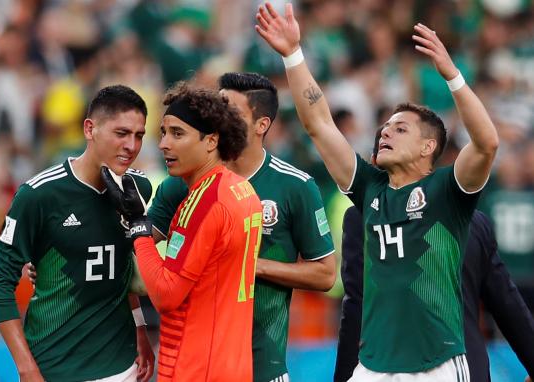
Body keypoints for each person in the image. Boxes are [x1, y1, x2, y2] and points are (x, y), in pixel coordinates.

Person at [256, 2, 499, 380]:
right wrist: (293, 54)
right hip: (372, 367)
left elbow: (486, 144)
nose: (385, 131)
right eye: (385, 126)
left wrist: (453, 77)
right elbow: (320, 124)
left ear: (427, 147)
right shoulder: (370, 189)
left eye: (400, 129)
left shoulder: (448, 191)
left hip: (437, 365)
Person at [147, 72, 336, 382]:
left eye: (230, 111)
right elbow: (139, 251)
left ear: (262, 125)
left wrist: (250, 265)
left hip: (264, 364)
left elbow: (326, 273)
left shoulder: (295, 186)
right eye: (217, 107)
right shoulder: (182, 183)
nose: (219, 118)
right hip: (195, 364)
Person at [334, 130, 534, 382]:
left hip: (391, 365)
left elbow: (357, 306)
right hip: (464, 366)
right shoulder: (473, 220)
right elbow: (506, 301)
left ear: (373, 165)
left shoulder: (360, 217)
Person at [0, 85, 155, 382]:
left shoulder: (137, 189)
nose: (132, 145)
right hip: (56, 366)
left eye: (139, 135)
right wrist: (26, 369)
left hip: (122, 363)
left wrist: (140, 327)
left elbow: (122, 266)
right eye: (121, 133)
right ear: (90, 129)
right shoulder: (39, 195)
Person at [102, 82, 263, 381]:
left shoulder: (205, 202)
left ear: (211, 141)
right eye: (163, 133)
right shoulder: (242, 189)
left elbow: (165, 295)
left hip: (195, 367)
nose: (164, 144)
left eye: (178, 133)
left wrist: (138, 225)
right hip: (233, 365)